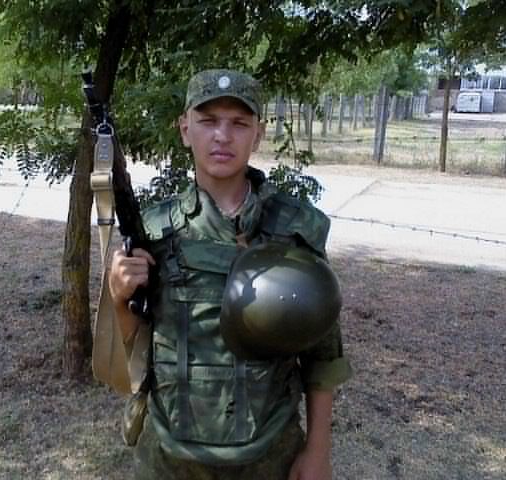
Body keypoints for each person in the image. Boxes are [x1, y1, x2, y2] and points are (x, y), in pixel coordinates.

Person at [108, 69, 352, 480]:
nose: (223, 136)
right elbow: (128, 347)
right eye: (208, 121)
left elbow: (323, 356)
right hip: (169, 456)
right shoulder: (152, 231)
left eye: (239, 123)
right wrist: (119, 297)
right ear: (185, 129)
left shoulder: (295, 231)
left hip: (269, 453)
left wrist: (318, 450)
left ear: (258, 134)